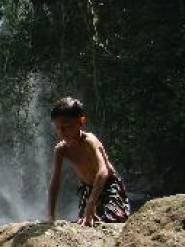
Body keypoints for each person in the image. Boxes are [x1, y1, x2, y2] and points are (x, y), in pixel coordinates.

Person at [47, 97, 131, 227]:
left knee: (111, 219)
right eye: (58, 128)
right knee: (86, 223)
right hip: (87, 188)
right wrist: (50, 215)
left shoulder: (89, 141)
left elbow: (103, 171)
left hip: (108, 185)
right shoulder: (61, 149)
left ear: (81, 121)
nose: (62, 133)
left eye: (66, 126)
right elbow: (55, 182)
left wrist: (91, 204)